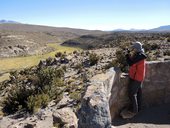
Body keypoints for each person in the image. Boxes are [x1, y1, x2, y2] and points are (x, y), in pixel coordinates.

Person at [122, 41, 147, 119]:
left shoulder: (139, 56)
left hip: (137, 78)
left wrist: (126, 55)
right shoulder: (140, 55)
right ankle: (138, 108)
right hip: (138, 77)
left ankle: (134, 111)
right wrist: (129, 54)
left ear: (136, 48)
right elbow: (133, 61)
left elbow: (131, 63)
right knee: (138, 93)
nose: (133, 49)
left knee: (132, 94)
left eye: (134, 48)